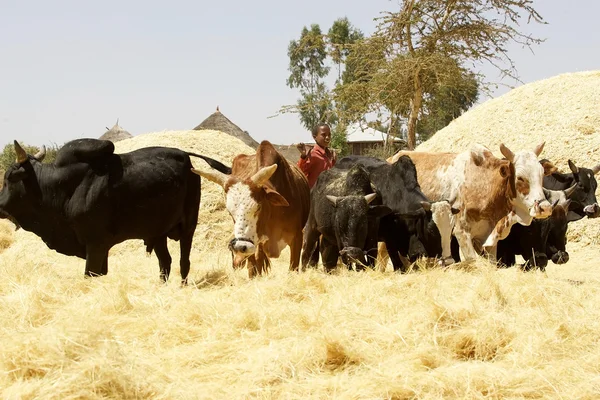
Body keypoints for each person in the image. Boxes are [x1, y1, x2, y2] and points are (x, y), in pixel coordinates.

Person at [296, 123, 337, 188]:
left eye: (329, 135)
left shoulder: (330, 154)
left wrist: (334, 161)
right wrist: (303, 156)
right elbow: (300, 173)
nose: (327, 137)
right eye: (323, 135)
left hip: (327, 191)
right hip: (315, 194)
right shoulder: (313, 154)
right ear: (315, 137)